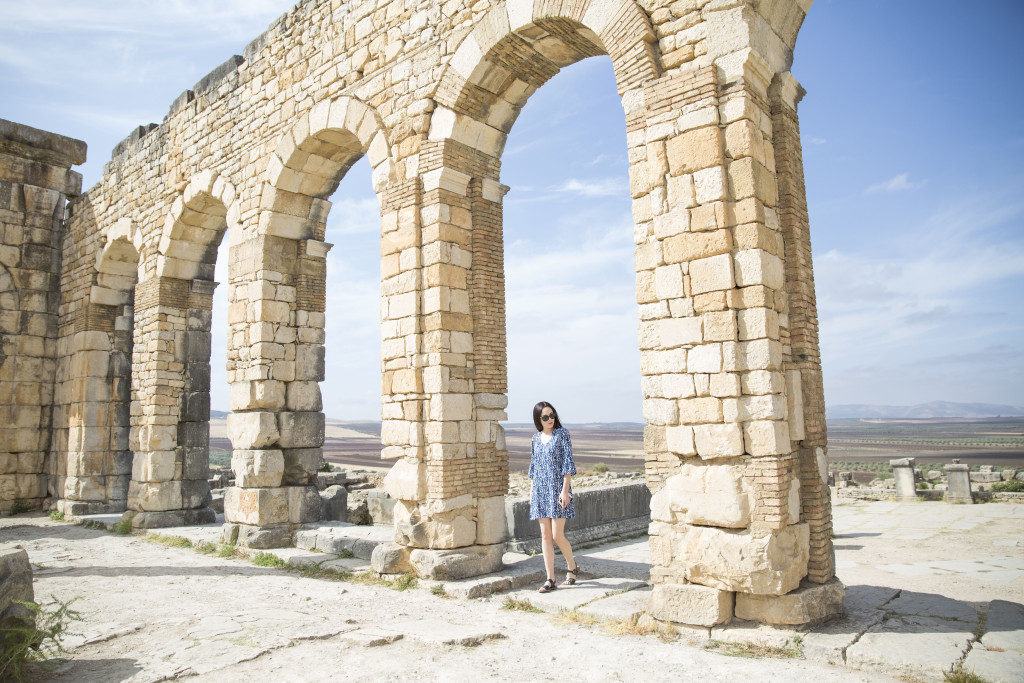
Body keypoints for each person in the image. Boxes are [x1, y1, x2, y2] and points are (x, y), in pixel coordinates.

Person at [528, 401, 582, 593]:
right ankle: (550, 579)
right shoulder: (535, 439)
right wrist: (532, 493)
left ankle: (571, 567)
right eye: (545, 417)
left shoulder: (562, 434)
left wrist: (565, 490)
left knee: (557, 535)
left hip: (558, 490)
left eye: (552, 415)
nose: (550, 419)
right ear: (538, 420)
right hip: (540, 492)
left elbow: (568, 463)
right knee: (545, 535)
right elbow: (533, 467)